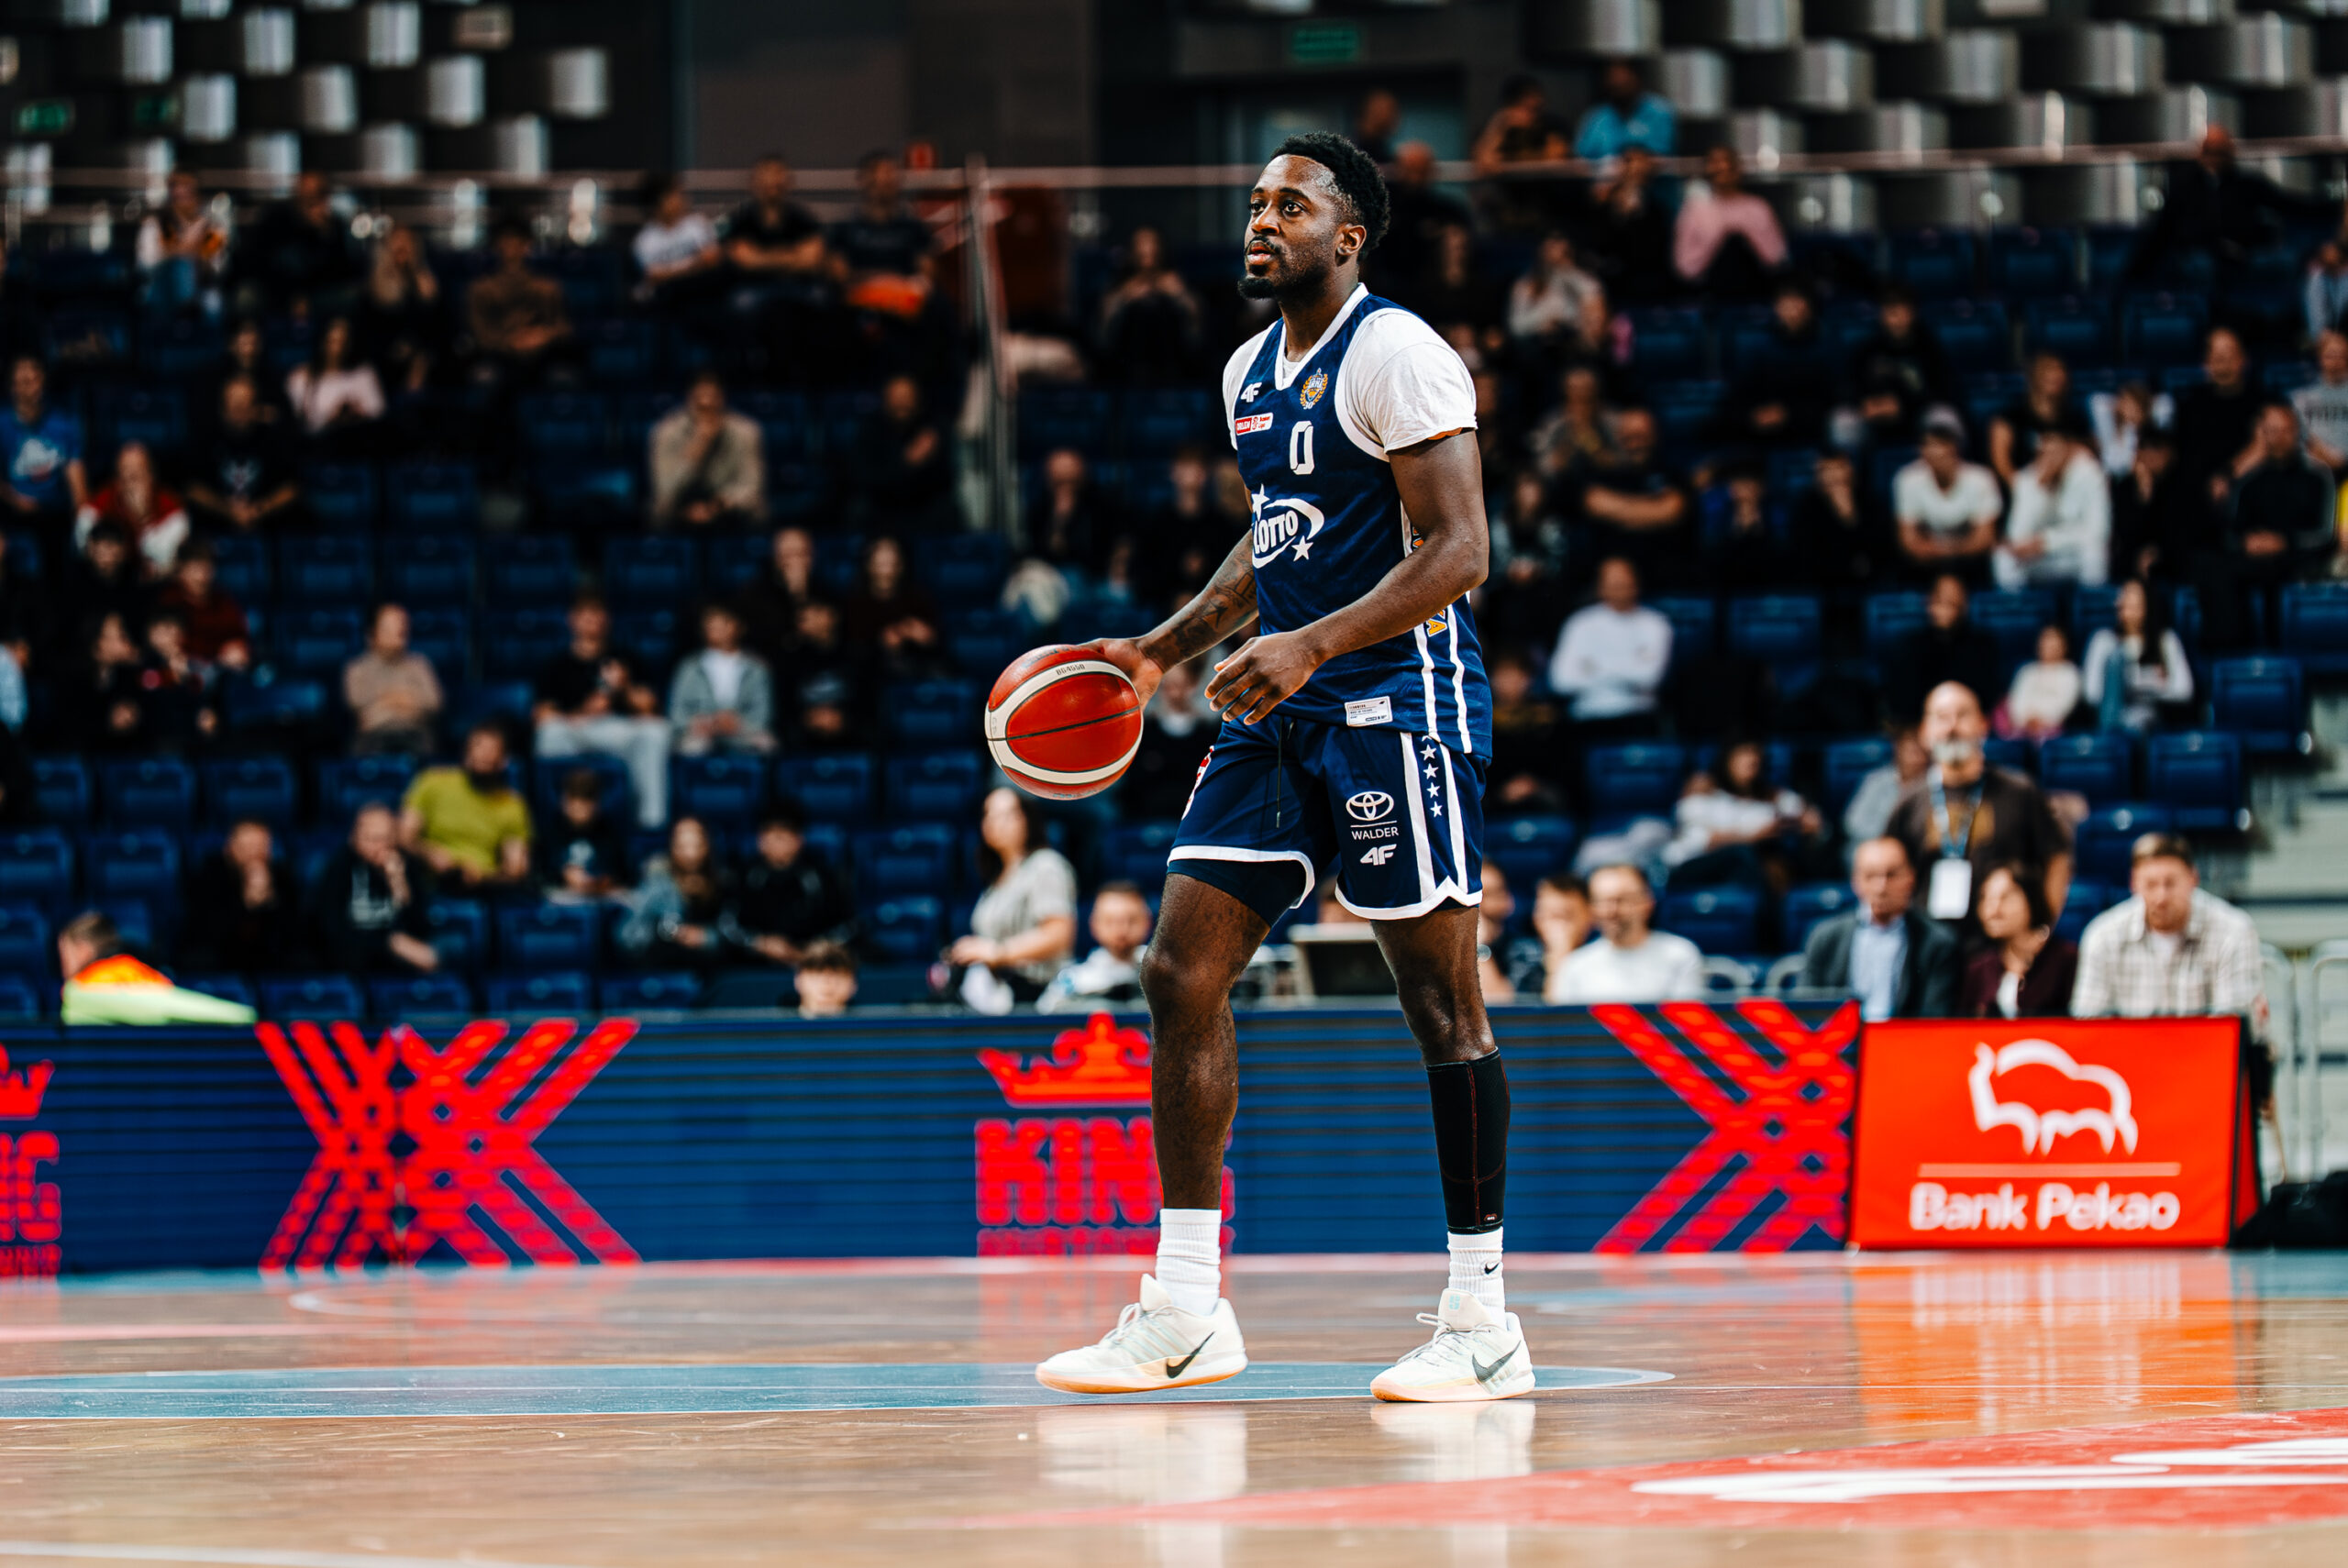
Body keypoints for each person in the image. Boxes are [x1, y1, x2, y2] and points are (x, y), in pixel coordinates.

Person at [1043, 134, 1526, 1404]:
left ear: (1349, 236)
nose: (1263, 220)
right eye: (1256, 202)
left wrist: (1311, 643)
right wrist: (1163, 647)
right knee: (1177, 970)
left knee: (1439, 1005)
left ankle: (1482, 1319)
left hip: (1397, 702)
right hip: (1279, 706)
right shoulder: (1248, 369)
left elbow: (1460, 550)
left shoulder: (1398, 353)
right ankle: (1185, 1308)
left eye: (1292, 205)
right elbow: (1276, 541)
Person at [1888, 681, 2072, 949]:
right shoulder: (1908, 802)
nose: (1952, 727)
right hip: (1930, 952)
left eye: (1962, 715)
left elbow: (2057, 859)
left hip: (2002, 949)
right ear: (1925, 731)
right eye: (1941, 717)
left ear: (1983, 724)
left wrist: (2042, 928)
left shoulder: (2019, 791)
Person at [2073, 833, 2264, 1020]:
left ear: (2193, 879)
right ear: (2134, 883)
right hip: (2130, 1043)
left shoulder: (2233, 931)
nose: (2161, 897)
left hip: (2203, 1043)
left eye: (2170, 884)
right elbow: (2089, 1024)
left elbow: (2233, 1026)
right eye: (2151, 884)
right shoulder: (2103, 936)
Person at [2203, 402, 2337, 649]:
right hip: (2255, 558)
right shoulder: (2250, 479)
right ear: (2262, 434)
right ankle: (2230, 654)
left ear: (2297, 432)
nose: (2279, 438)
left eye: (2285, 430)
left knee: (2277, 573)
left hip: (2301, 556)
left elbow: (2326, 534)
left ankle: (2275, 653)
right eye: (2272, 431)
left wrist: (2284, 542)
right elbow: (2231, 534)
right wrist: (2247, 543)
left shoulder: (2318, 475)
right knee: (2214, 566)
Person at [534, 597, 670, 830]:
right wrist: (585, 711)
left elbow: (650, 707)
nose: (591, 620)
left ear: (607, 619)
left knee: (656, 732)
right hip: (576, 729)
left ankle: (649, 826)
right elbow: (541, 715)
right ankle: (553, 823)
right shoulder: (557, 664)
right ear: (572, 619)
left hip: (619, 729)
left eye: (597, 614)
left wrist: (624, 687)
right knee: (549, 733)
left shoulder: (626, 657)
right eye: (585, 614)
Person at [1799, 837, 1959, 1021]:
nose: (1881, 887)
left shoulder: (1938, 943)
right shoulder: (1825, 937)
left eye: (1891, 875)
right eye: (1871, 876)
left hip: (1905, 1037)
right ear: (1856, 881)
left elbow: (1935, 1018)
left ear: (1910, 878)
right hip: (1842, 1037)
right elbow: (1806, 1010)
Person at [948, 787, 1077, 1010]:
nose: (995, 822)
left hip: (1039, 996)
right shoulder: (996, 879)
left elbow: (1059, 934)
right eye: (989, 815)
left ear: (1028, 820)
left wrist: (998, 952)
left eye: (1006, 814)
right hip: (1000, 995)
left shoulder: (1045, 866)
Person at [1662, 738, 1822, 892]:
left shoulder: (1770, 798)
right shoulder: (1704, 792)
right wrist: (1754, 837)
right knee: (1742, 855)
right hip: (1688, 868)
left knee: (1777, 858)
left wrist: (1801, 823)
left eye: (1755, 756)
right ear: (1728, 759)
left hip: (1746, 870)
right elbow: (1701, 841)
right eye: (1744, 755)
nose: (1751, 762)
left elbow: (1810, 819)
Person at [56, 911, 256, 1025]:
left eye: (64, 955)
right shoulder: (141, 969)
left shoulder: (81, 987)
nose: (62, 967)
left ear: (83, 950)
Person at [400, 723, 533, 894]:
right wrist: (428, 854)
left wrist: (481, 878)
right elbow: (404, 835)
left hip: (485, 891)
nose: (484, 754)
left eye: (492, 749)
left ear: (504, 760)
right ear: (466, 752)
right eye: (478, 746)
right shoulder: (432, 782)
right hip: (428, 884)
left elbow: (515, 870)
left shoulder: (512, 804)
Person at [309, 802, 438, 977]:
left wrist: (399, 884)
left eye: (387, 838)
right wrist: (388, 943)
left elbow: (420, 929)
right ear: (354, 839)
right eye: (373, 839)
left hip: (397, 965)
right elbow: (331, 929)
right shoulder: (339, 867)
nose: (381, 846)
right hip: (350, 962)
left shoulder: (406, 867)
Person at [1568, 406, 1690, 591]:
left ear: (1655, 436)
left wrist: (1617, 511)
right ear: (1619, 438)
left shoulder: (1672, 474)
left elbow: (1672, 511)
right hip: (1610, 588)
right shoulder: (1605, 474)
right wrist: (1651, 510)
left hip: (1666, 585)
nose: (1635, 444)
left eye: (1641, 436)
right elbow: (1593, 502)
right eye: (1628, 437)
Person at [1548, 557, 1670, 740]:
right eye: (1612, 583)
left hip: (1638, 716)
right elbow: (1561, 680)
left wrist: (1592, 668)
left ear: (1636, 584)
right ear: (1600, 587)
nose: (1618, 588)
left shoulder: (1655, 624)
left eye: (1623, 582)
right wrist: (1629, 668)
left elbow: (1650, 677)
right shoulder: (1580, 623)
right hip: (1586, 716)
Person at [1547, 863, 1705, 1003]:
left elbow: (1687, 1019)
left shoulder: (1680, 954)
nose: (1611, 911)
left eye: (1621, 900)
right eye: (1601, 901)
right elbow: (1562, 1022)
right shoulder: (1575, 964)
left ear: (1647, 903)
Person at [720, 805, 855, 966]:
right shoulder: (743, 876)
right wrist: (759, 943)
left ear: (799, 839)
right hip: (751, 965)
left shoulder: (822, 877)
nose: (777, 841)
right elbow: (726, 925)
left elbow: (847, 926)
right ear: (760, 840)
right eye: (770, 834)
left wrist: (811, 949)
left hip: (813, 963)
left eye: (784, 834)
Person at [1996, 422, 2110, 591]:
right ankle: (2020, 607)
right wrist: (2039, 489)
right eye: (2045, 450)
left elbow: (2099, 532)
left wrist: (2048, 541)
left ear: (2069, 448)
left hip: (2072, 555)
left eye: (2056, 449)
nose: (2050, 457)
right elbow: (2017, 538)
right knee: (2004, 558)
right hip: (2040, 560)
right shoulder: (2027, 479)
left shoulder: (2090, 474)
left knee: (2095, 554)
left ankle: (2091, 604)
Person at [1722, 281, 1836, 450]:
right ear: (1776, 308)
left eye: (1797, 303)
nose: (1791, 311)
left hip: (1809, 423)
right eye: (1785, 304)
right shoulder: (1760, 347)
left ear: (1810, 307)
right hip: (1761, 423)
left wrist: (1789, 414)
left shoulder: (1826, 347)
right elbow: (1739, 394)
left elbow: (1832, 397)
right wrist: (1755, 414)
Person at [179, 820, 302, 974]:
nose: (253, 854)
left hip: (270, 953)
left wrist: (269, 902)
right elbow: (206, 927)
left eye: (260, 847)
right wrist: (246, 904)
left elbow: (292, 929)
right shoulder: (210, 876)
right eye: (247, 846)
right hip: (222, 952)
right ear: (230, 848)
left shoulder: (282, 877)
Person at [647, 371, 765, 531]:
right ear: (689, 400)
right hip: (680, 509)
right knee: (658, 508)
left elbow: (750, 487)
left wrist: (715, 506)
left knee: (757, 508)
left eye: (713, 399)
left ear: (722, 399)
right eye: (699, 401)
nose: (706, 403)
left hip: (726, 508)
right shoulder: (665, 432)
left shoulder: (746, 432)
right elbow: (667, 489)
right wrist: (699, 445)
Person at [237, 171, 362, 320]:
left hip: (316, 296)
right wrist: (291, 297)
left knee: (353, 296)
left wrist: (325, 236)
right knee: (246, 297)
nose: (313, 204)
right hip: (276, 292)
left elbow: (346, 273)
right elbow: (257, 264)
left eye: (318, 196)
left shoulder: (334, 226)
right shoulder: (275, 218)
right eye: (307, 198)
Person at [185, 375, 302, 536]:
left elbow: (292, 487)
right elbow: (191, 488)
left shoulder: (273, 439)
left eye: (246, 406)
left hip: (267, 529)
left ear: (256, 408)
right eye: (235, 406)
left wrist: (261, 508)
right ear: (222, 409)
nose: (240, 413)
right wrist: (228, 511)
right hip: (214, 531)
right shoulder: (206, 439)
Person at [1961, 860, 2078, 1019]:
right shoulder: (1978, 969)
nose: (1993, 910)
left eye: (2005, 897)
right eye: (1985, 899)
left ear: (2030, 898)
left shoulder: (2066, 960)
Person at [1844, 284, 1957, 447]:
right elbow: (1849, 386)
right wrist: (1865, 404)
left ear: (1913, 314)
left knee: (1943, 417)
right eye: (1892, 313)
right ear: (1882, 315)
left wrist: (1902, 405)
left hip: (1917, 416)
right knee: (1844, 422)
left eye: (1902, 312)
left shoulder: (1929, 349)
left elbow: (1941, 390)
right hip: (1873, 418)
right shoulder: (1867, 350)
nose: (1897, 320)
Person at [467, 218, 574, 387]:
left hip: (543, 357)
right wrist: (511, 342)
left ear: (527, 245)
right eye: (506, 242)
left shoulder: (547, 288)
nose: (511, 248)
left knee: (563, 377)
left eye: (517, 242)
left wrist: (541, 337)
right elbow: (479, 333)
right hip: (498, 358)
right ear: (496, 246)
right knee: (484, 377)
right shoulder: (481, 289)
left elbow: (563, 328)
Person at [1884, 574, 2003, 723]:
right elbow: (1902, 705)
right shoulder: (1908, 647)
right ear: (1928, 602)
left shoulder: (1983, 647)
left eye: (1953, 601)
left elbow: (1988, 702)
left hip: (1970, 726)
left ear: (1965, 604)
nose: (1945, 607)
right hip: (1921, 727)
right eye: (1940, 599)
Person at [619, 816, 733, 972]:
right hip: (663, 972)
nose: (690, 854)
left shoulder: (724, 883)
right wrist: (666, 932)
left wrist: (706, 937)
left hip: (712, 972)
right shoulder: (656, 884)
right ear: (672, 847)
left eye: (696, 845)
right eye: (683, 846)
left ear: (708, 845)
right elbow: (627, 935)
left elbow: (736, 935)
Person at [1895, 417, 2001, 581]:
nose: (1934, 453)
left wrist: (1949, 550)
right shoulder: (1907, 479)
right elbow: (1908, 540)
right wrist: (1936, 551)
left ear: (1955, 449)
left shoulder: (1982, 479)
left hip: (1970, 562)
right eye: (1928, 446)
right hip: (1926, 563)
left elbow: (1984, 538)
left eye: (1941, 446)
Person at [2082, 579, 2194, 734]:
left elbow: (2183, 690)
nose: (2126, 607)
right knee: (2116, 658)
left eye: (2134, 603)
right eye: (2124, 600)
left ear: (2147, 606)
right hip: (2111, 721)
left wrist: (2137, 687)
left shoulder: (2165, 640)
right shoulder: (2103, 641)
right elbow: (2092, 693)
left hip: (2154, 723)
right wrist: (2147, 681)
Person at [1674, 146, 1786, 299]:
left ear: (1738, 168)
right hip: (1708, 296)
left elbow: (1777, 258)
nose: (1722, 167)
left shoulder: (1758, 207)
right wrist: (1718, 240)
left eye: (1727, 161)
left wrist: (1746, 237)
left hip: (1756, 293)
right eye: (1715, 162)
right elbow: (1684, 267)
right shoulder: (1694, 210)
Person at [1098, 226, 1203, 384]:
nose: (1148, 250)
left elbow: (1197, 328)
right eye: (1141, 245)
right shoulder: (1120, 285)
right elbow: (1103, 333)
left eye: (1153, 244)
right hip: (1128, 369)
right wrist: (1125, 296)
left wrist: (1180, 295)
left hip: (1173, 367)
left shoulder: (1175, 281)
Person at [851, 373, 955, 534]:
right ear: (886, 400)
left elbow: (943, 479)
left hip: (923, 506)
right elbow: (867, 478)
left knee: (946, 511)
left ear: (917, 400)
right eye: (896, 397)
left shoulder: (932, 429)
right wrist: (907, 462)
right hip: (882, 507)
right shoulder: (870, 431)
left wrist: (918, 463)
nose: (902, 403)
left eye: (907, 397)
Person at [2172, 326, 2265, 505]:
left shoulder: (2261, 402)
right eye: (2215, 353)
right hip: (2194, 495)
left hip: (2247, 489)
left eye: (2228, 352)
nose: (2222, 359)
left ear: (2243, 359)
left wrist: (2227, 475)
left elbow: (2262, 447)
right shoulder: (2189, 403)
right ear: (2205, 362)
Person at [670, 602, 774, 755]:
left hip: (743, 731)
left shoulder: (756, 668)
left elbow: (763, 713)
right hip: (699, 733)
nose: (716, 628)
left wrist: (738, 724)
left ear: (738, 627)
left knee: (766, 744)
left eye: (724, 623)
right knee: (692, 748)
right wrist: (703, 723)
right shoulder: (689, 667)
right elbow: (676, 713)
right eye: (711, 624)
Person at [1578, 144, 1675, 305]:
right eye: (1629, 161)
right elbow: (1596, 244)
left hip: (1641, 284)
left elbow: (1651, 253)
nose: (1635, 168)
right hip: (1606, 280)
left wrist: (1634, 216)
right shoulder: (1602, 203)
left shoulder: (1656, 209)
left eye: (1640, 162)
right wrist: (1617, 212)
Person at [1038, 880, 1155, 1013]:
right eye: (1110, 921)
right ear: (1094, 924)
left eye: (1132, 920)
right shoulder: (1073, 981)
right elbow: (1044, 1017)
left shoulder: (1163, 976)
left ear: (1147, 922)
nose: (1121, 930)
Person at [1122, 657, 1214, 821]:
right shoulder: (1145, 730)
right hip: (1145, 820)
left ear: (1193, 685)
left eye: (1178, 685)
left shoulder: (1207, 733)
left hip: (1189, 819)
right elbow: (1132, 788)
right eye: (1166, 686)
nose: (1171, 693)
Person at [0, 358, 87, 533]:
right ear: (13, 387)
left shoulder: (63, 423)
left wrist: (84, 520)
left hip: (56, 513)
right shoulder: (3, 425)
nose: (34, 389)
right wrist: (13, 499)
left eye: (36, 380)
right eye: (26, 382)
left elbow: (77, 482)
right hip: (11, 514)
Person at [343, 602, 441, 756]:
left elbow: (434, 703)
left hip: (415, 736)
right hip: (373, 738)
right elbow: (358, 707)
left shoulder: (420, 665)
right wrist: (406, 702)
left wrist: (382, 705)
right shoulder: (357, 669)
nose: (399, 631)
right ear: (372, 634)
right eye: (389, 627)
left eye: (402, 625)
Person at [80, 442, 187, 578]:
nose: (130, 481)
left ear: (151, 476)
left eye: (137, 474)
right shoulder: (98, 504)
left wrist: (143, 519)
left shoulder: (172, 509)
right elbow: (83, 551)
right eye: (124, 472)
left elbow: (164, 565)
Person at [841, 536, 943, 679]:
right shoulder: (855, 601)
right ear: (868, 565)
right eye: (880, 563)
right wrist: (882, 641)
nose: (886, 571)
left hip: (917, 666)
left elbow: (935, 638)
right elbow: (851, 646)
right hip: (869, 672)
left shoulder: (918, 597)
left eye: (891, 562)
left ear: (901, 565)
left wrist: (924, 635)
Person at [360, 222, 445, 393]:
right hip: (385, 361)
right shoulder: (373, 286)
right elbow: (369, 331)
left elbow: (437, 328)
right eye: (396, 240)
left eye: (407, 241)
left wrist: (428, 300)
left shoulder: (426, 283)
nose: (402, 245)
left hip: (423, 360)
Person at [136, 168, 228, 320]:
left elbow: (216, 266)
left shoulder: (212, 226)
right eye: (177, 189)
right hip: (161, 290)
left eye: (188, 189)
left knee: (213, 301)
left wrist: (176, 250)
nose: (183, 193)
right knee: (177, 269)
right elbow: (146, 263)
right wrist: (188, 249)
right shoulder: (156, 224)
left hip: (200, 294)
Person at [284, 316, 384, 452]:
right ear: (322, 342)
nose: (338, 348)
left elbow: (379, 413)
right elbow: (301, 423)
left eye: (343, 342)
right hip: (320, 448)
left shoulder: (364, 373)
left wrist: (356, 412)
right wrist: (331, 418)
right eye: (333, 341)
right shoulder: (301, 377)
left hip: (362, 445)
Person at [1487, 648, 1568, 815]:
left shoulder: (1547, 719)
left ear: (1528, 678)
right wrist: (1504, 790)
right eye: (1504, 675)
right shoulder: (1481, 723)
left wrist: (1533, 784)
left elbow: (1561, 766)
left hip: (1543, 794)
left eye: (1516, 675)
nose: (1509, 683)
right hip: (1495, 798)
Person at [1989, 353, 2083, 489]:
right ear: (2033, 375)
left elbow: (2087, 452)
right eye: (2048, 369)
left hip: (2064, 487)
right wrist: (2023, 490)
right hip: (2024, 486)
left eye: (2060, 369)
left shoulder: (2074, 418)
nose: (2055, 375)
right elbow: (2001, 460)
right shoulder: (2010, 417)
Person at [153, 543, 251, 671]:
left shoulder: (223, 601)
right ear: (180, 571)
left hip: (220, 671)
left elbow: (239, 638)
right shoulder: (169, 601)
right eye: (194, 569)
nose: (201, 577)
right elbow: (167, 643)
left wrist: (236, 650)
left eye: (206, 569)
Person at [537, 768, 629, 902]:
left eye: (585, 804)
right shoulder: (552, 831)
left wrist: (604, 880)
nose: (580, 810)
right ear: (565, 802)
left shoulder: (608, 831)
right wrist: (563, 874)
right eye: (575, 803)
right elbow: (542, 871)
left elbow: (622, 871)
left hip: (603, 897)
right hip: (562, 896)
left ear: (596, 804)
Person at [736, 524, 824, 664]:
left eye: (802, 554)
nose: (795, 562)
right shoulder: (754, 593)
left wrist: (802, 595)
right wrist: (795, 595)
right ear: (776, 557)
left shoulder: (826, 592)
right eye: (788, 555)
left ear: (813, 556)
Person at [633, 173, 722, 309]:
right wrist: (696, 264)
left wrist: (670, 272)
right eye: (674, 195)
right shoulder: (644, 241)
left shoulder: (697, 224)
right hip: (665, 303)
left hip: (702, 295)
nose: (681, 199)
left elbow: (712, 259)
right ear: (658, 202)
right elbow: (653, 275)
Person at [1844, 724, 1929, 850]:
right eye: (1911, 752)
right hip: (1873, 849)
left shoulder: (1932, 786)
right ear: (1898, 751)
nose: (1916, 759)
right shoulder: (1876, 781)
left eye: (1923, 753)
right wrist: (1889, 839)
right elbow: (1852, 823)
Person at [1574, 59, 1676, 161]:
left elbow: (1664, 152)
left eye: (1624, 78)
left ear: (1637, 78)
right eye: (1613, 78)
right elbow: (1581, 155)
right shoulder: (1596, 116)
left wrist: (1640, 156)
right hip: (1601, 171)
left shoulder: (1659, 111)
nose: (1618, 82)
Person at [1999, 624, 2082, 741]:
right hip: (2021, 730)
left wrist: (2042, 720)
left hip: (2054, 734)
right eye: (2046, 640)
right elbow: (2016, 702)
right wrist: (2026, 720)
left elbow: (2064, 705)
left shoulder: (2070, 673)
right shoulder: (2026, 671)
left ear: (2064, 645)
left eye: (2055, 641)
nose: (2050, 646)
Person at [1532, 873, 1594, 1004]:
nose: (1556, 927)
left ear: (1590, 915)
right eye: (1548, 915)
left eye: (1565, 916)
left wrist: (1560, 961)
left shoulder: (1600, 958)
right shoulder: (1521, 957)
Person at [2296, 330, 2348, 472]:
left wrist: (2340, 461)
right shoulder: (2301, 398)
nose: (2336, 362)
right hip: (2312, 470)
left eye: (2341, 356)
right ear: (2319, 357)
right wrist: (2324, 456)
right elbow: (2301, 438)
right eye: (2330, 355)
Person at [793, 941, 859, 1017]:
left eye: (837, 977)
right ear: (798, 980)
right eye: (817, 975)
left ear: (853, 984)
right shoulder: (782, 1021)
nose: (826, 984)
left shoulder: (865, 1023)